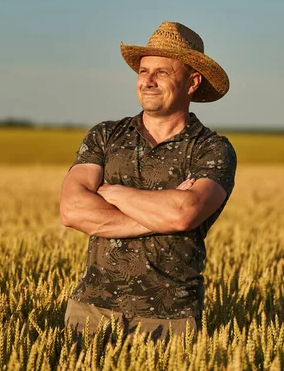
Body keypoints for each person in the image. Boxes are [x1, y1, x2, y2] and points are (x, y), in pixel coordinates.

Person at [59, 21, 237, 341]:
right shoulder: (105, 135)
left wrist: (110, 191)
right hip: (90, 311)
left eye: (163, 72)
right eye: (143, 71)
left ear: (193, 81)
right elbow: (72, 210)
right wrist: (162, 215)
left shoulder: (211, 149)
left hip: (171, 321)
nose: (148, 81)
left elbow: (184, 213)